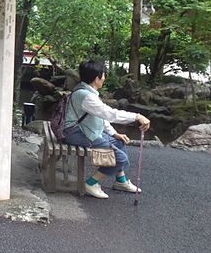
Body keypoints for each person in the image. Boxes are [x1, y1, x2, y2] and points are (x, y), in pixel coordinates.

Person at [63, 59, 151, 199]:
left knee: (119, 142)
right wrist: (137, 116)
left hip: (85, 130)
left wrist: (114, 134)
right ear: (97, 78)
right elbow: (109, 114)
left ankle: (120, 181)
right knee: (120, 158)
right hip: (77, 133)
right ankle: (91, 183)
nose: (104, 78)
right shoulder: (86, 96)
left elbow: (100, 117)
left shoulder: (85, 91)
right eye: (103, 75)